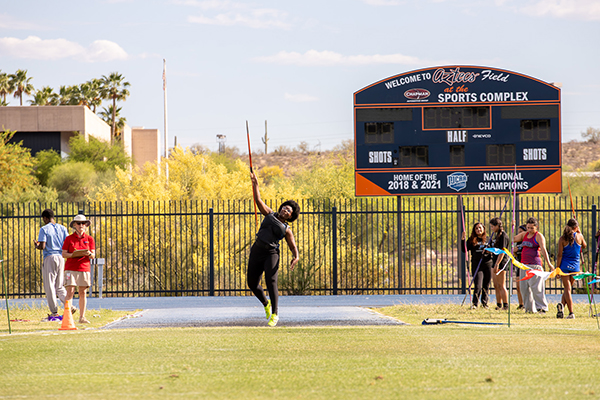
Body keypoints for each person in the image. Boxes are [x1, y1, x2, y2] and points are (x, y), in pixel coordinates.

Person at [248, 172, 300, 327]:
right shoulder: (269, 214)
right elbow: (258, 200)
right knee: (252, 283)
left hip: (271, 254)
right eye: (285, 207)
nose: (286, 209)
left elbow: (292, 245)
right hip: (257, 250)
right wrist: (255, 184)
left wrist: (296, 256)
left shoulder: (286, 228)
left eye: (289, 210)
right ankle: (266, 303)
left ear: (291, 216)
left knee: (271, 282)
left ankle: (275, 314)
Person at [34, 209, 70, 320]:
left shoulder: (44, 229)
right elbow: (67, 243)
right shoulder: (62, 228)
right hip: (60, 257)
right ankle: (69, 305)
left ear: (45, 218)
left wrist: (37, 245)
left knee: (50, 286)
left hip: (49, 257)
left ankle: (54, 312)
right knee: (60, 286)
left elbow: (43, 246)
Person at [513, 217, 554, 313]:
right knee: (524, 288)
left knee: (537, 288)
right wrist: (512, 227)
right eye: (528, 227)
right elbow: (512, 239)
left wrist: (549, 264)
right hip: (524, 266)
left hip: (535, 266)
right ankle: (529, 309)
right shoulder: (524, 235)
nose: (530, 230)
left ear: (536, 227)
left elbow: (543, 250)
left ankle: (542, 308)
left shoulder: (538, 236)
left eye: (532, 228)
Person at [62, 214, 95, 324]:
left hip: (84, 268)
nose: (81, 225)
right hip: (71, 268)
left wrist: (89, 253)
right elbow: (64, 254)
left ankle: (82, 317)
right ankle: (68, 317)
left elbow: (93, 255)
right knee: (70, 291)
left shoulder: (90, 239)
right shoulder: (69, 239)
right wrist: (74, 255)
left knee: (82, 292)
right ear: (74, 225)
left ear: (86, 225)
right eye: (79, 223)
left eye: (83, 223)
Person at [555, 219, 586, 319]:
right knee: (568, 289)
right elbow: (584, 246)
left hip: (564, 266)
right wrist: (580, 233)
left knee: (567, 289)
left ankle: (570, 312)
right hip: (575, 267)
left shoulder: (562, 239)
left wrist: (557, 269)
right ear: (576, 227)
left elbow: (559, 255)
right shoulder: (580, 236)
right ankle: (564, 308)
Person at [461, 223, 493, 308]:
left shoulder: (488, 239)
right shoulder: (472, 240)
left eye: (480, 228)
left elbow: (494, 250)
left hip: (487, 264)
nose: (478, 229)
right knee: (478, 285)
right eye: (476, 228)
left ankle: (484, 303)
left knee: (486, 285)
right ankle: (475, 303)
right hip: (477, 265)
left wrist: (489, 251)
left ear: (483, 229)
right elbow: (464, 250)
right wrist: (463, 239)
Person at [489, 217, 510, 310]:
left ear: (497, 226)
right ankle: (499, 304)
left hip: (500, 262)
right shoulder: (496, 235)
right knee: (496, 285)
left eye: (493, 226)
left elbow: (502, 251)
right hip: (494, 261)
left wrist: (497, 263)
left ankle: (506, 305)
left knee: (501, 285)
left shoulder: (503, 236)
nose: (491, 228)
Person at [512, 225, 527, 310]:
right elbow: (515, 255)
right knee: (518, 285)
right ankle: (521, 304)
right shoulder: (518, 242)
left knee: (526, 285)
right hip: (519, 263)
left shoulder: (528, 241)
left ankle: (526, 303)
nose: (519, 234)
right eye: (518, 232)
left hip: (527, 264)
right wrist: (514, 251)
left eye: (521, 232)